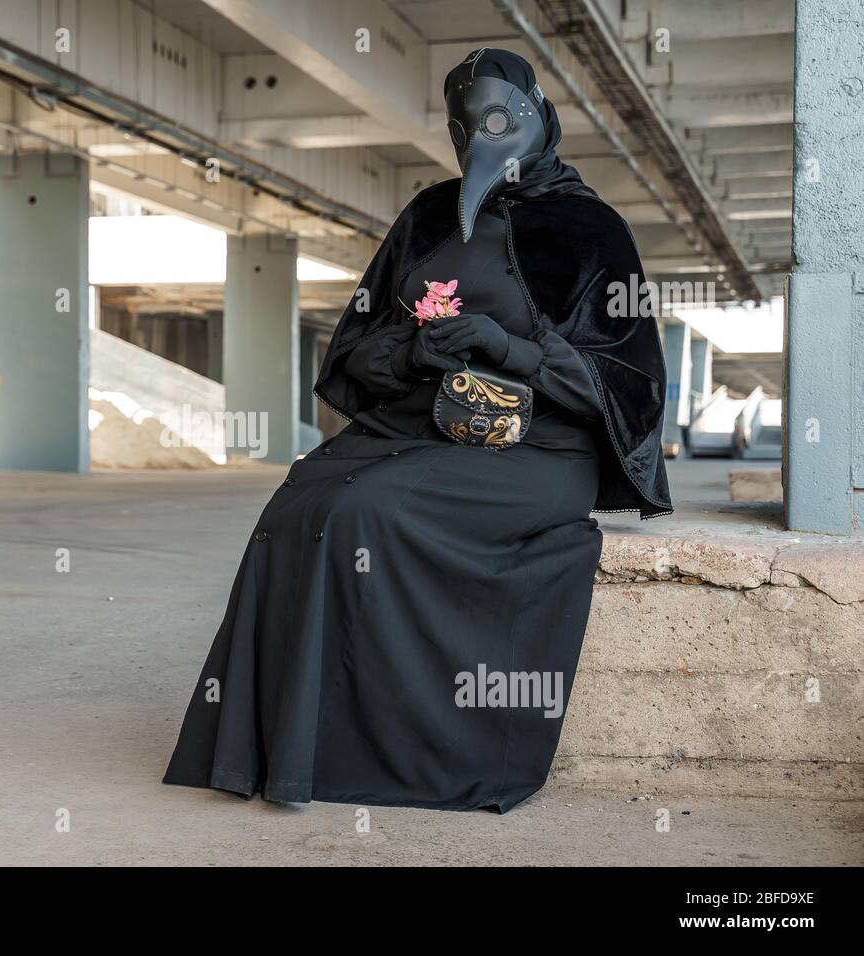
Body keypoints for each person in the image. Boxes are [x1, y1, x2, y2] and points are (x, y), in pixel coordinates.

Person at [162, 48, 672, 813]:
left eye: (501, 117)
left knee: (362, 509)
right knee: (297, 502)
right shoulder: (429, 216)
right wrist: (411, 347)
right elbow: (353, 351)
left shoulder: (591, 231)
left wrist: (517, 351)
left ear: (539, 115)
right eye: (466, 125)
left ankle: (356, 755)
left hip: (536, 450)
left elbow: (631, 384)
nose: (483, 137)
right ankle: (270, 751)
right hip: (420, 427)